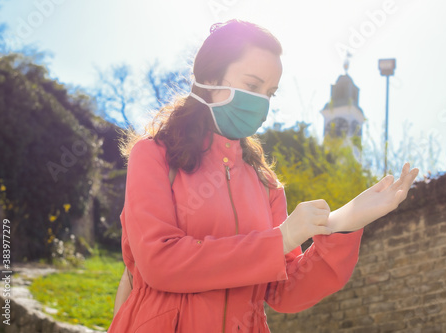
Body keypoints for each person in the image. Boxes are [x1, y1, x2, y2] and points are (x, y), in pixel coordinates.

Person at [107, 19, 419, 333]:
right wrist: (280, 238)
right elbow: (160, 262)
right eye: (253, 86)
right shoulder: (153, 155)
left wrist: (342, 225)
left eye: (270, 93)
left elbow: (284, 292)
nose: (261, 103)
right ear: (211, 78)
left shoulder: (266, 184)